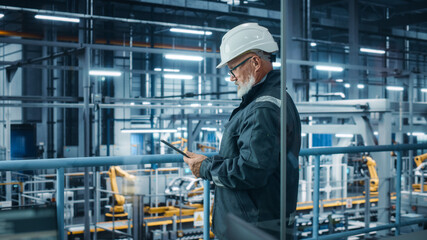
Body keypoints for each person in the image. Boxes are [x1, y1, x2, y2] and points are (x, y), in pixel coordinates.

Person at [183, 22, 301, 240]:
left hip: (252, 228)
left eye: (233, 68)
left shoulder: (263, 109)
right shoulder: (270, 100)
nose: (231, 77)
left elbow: (251, 170)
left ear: (255, 62)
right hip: (259, 223)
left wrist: (206, 167)